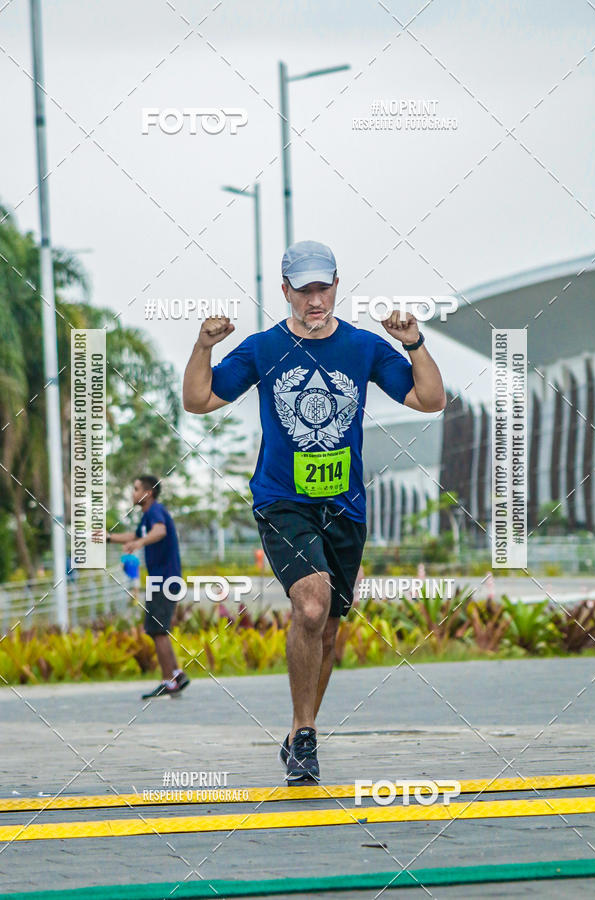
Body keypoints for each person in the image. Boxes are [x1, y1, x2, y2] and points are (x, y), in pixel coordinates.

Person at [182, 240, 445, 783]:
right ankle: (305, 734)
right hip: (283, 499)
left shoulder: (363, 347)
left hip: (346, 506)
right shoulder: (262, 348)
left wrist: (415, 343)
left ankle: (300, 731)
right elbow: (199, 400)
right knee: (310, 605)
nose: (315, 299)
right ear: (285, 292)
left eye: (323, 286)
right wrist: (202, 346)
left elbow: (429, 400)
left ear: (335, 285)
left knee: (327, 628)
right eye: (303, 290)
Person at [107, 475, 189, 699]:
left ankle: (169, 680)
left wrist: (138, 543)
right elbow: (136, 534)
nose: (132, 494)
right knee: (157, 629)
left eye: (135, 489)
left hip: (164, 580)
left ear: (148, 492)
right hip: (161, 579)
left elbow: (159, 531)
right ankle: (176, 675)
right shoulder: (148, 516)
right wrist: (108, 537)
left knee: (157, 629)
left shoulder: (155, 512)